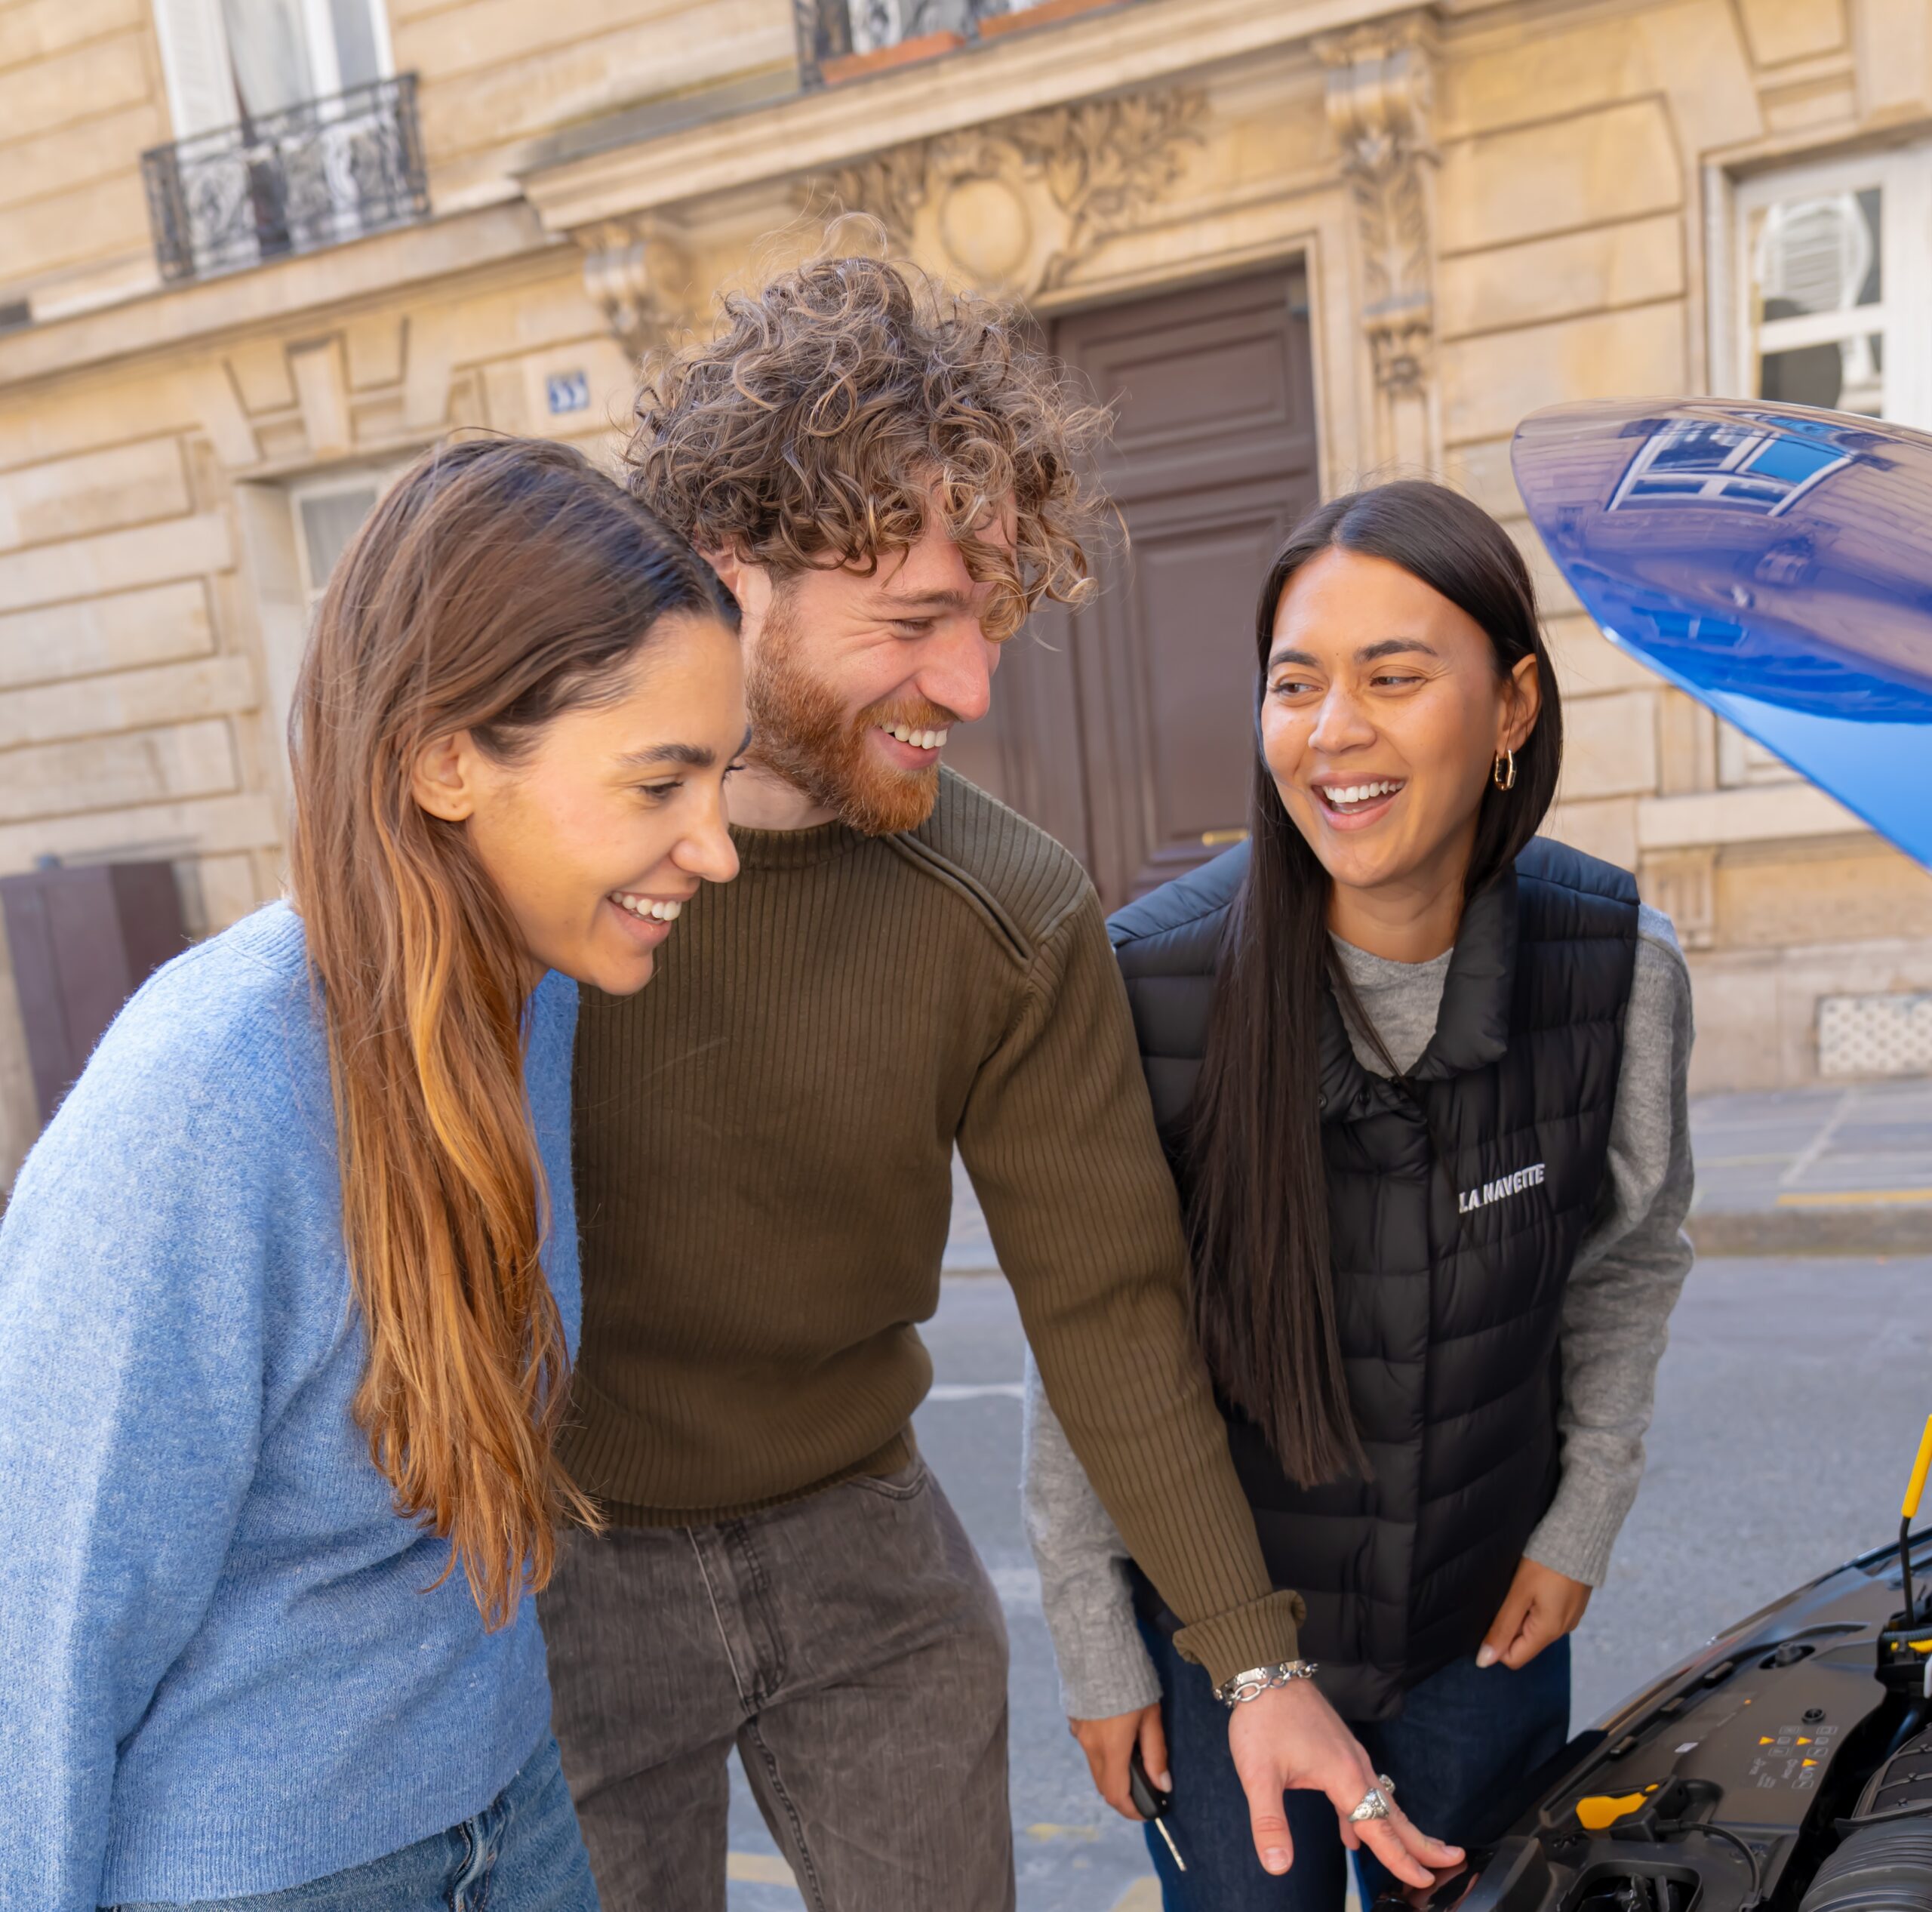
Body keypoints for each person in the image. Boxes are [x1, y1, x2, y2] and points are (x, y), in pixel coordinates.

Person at [540, 251, 1461, 1912]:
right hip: (556, 1560)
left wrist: (1252, 1668)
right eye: (913, 624)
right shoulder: (533, 870)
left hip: (861, 1547)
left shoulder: (1013, 905)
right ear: (728, 576)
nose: (970, 686)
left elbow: (1106, 1305)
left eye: (984, 620)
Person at [0, 438, 746, 1912]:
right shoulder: (207, 1091)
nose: (712, 847)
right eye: (661, 779)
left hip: (507, 1797)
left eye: (721, 775)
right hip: (262, 1871)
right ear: (443, 757)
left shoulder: (534, 995)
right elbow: (47, 1622)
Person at [1023, 479, 1697, 1909]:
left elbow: (1629, 1260)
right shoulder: (1144, 983)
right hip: (1215, 1645)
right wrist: (1098, 1641)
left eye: (1395, 677)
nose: (1335, 732)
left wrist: (1580, 1526)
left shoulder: (1618, 962)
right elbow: (1096, 1345)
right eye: (1295, 683)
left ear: (1513, 707)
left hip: (1480, 1630)